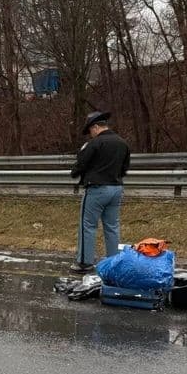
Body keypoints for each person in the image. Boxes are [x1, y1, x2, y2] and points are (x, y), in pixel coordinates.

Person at [69, 111, 131, 273]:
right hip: (116, 188)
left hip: (96, 189)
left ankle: (84, 262)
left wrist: (75, 173)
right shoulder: (122, 143)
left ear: (95, 127)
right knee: (112, 226)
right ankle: (114, 262)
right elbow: (125, 167)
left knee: (88, 225)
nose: (91, 134)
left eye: (90, 130)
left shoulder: (95, 143)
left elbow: (81, 164)